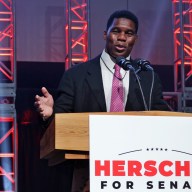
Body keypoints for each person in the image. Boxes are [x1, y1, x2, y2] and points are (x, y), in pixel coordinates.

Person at [35, 10, 170, 192]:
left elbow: (164, 120)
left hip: (136, 173)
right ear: (105, 34)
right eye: (116, 31)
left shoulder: (147, 78)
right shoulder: (76, 76)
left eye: (128, 33)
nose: (122, 38)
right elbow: (62, 124)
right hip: (87, 173)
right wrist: (51, 114)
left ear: (135, 39)